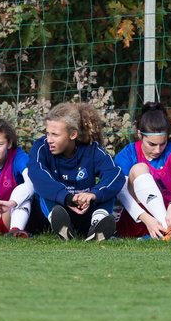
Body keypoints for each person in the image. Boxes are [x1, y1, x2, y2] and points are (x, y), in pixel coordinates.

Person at [27, 102, 124, 241]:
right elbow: (37, 173)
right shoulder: (41, 147)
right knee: (43, 190)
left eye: (55, 134)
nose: (49, 139)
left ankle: (97, 226)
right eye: (47, 133)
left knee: (106, 191)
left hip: (85, 209)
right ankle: (63, 229)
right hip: (59, 208)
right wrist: (66, 198)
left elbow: (114, 175)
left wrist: (93, 194)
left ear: (73, 134)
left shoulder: (92, 150)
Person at [113, 103, 171, 239]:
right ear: (140, 135)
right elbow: (121, 193)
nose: (158, 150)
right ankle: (168, 231)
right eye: (152, 144)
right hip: (142, 220)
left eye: (162, 144)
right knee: (139, 168)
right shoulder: (127, 154)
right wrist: (146, 218)